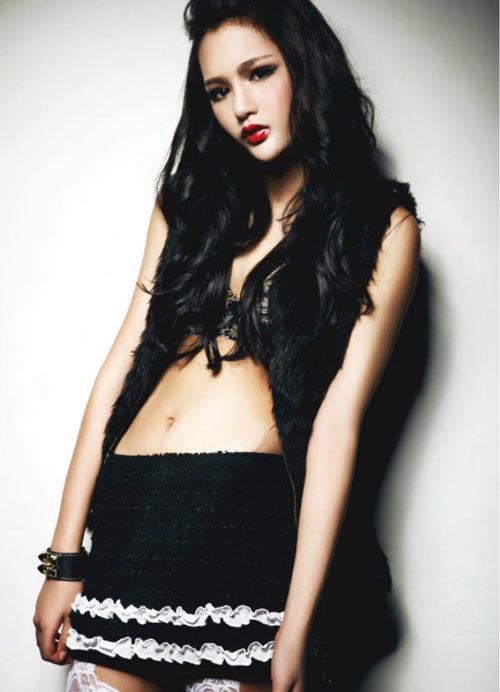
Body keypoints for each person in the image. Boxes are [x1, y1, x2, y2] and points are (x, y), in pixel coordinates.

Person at [33, 1, 423, 691]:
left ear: (306, 67)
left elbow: (338, 425)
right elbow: (120, 365)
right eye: (218, 90)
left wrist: (299, 621)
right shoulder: (187, 205)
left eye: (259, 72)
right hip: (131, 525)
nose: (241, 105)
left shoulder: (377, 225)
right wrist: (64, 559)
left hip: (247, 530)